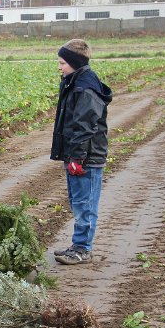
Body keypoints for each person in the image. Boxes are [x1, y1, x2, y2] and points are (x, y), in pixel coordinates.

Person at [50, 39, 112, 265]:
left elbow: (85, 126)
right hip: (75, 154)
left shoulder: (85, 87)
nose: (59, 67)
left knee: (85, 204)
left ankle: (83, 249)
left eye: (63, 63)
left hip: (86, 157)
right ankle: (77, 244)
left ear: (75, 63)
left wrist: (77, 158)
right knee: (77, 202)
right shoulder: (73, 82)